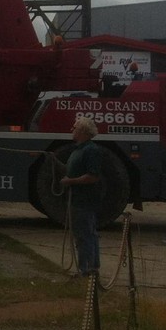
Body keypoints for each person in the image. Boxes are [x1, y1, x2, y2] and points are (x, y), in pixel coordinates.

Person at [60, 116, 104, 276]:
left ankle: (87, 269)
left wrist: (70, 181)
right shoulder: (79, 149)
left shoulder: (91, 150)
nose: (72, 130)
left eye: (75, 128)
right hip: (77, 199)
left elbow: (93, 176)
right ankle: (89, 267)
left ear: (84, 131)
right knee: (83, 234)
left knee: (85, 234)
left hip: (85, 200)